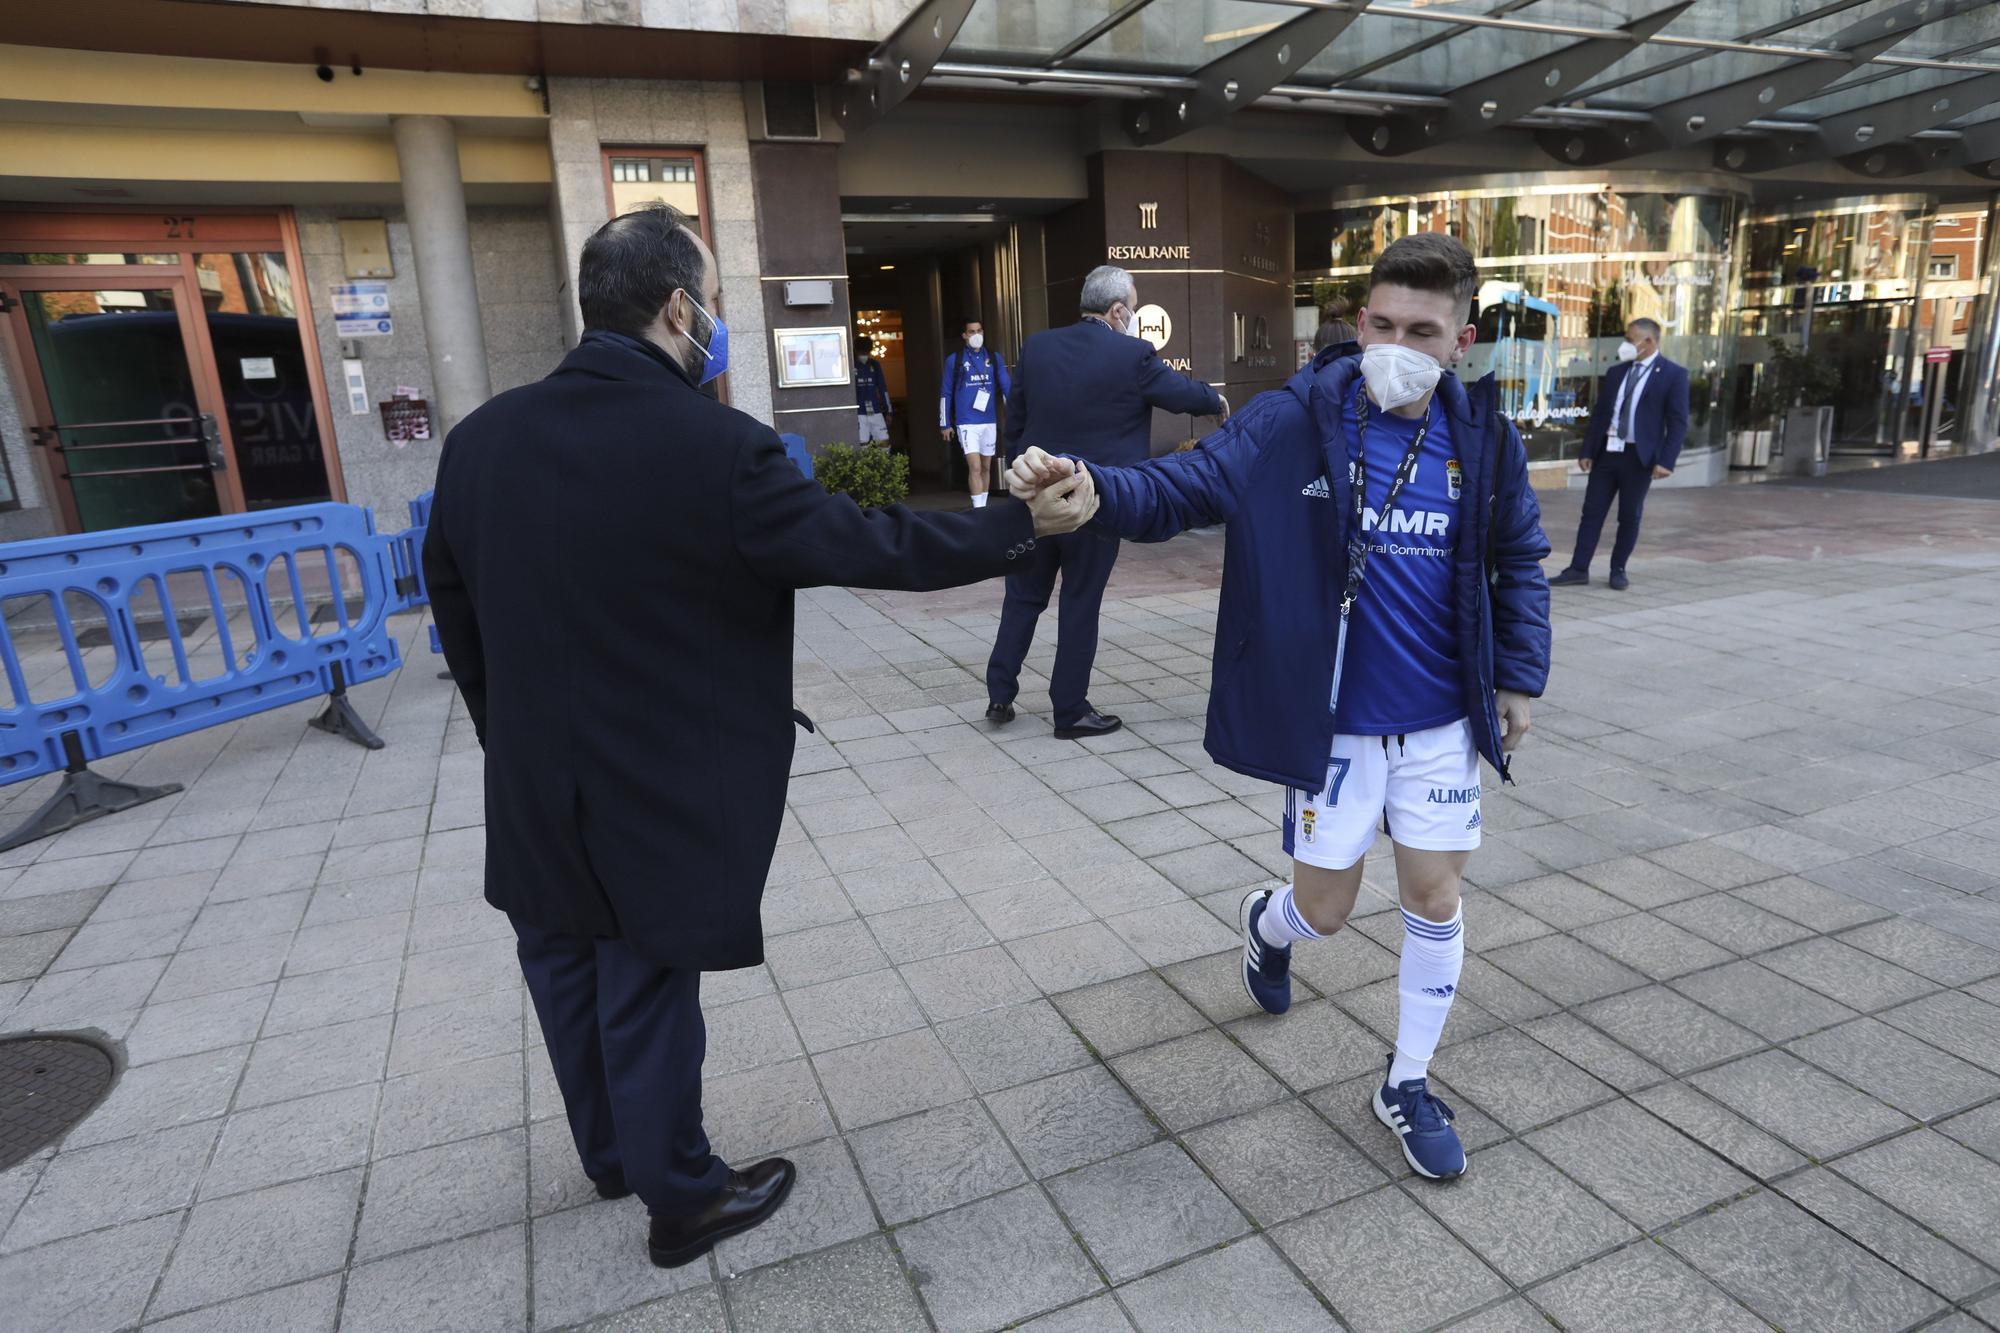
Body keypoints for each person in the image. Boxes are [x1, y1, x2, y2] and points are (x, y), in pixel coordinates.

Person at [423, 204, 1098, 1270]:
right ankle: (681, 1195)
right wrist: (1020, 527)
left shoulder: (480, 441)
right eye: (717, 302)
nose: (720, 324)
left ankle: (612, 1153)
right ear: (679, 308)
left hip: (530, 769)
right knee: (645, 977)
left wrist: (505, 734)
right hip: (654, 770)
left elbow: (453, 610)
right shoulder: (716, 446)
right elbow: (868, 543)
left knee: (560, 959)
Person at [1009, 233, 1551, 1179]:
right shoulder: (1301, 415)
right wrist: (1094, 489)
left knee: (1436, 895)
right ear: (1359, 321)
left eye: (1421, 330)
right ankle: (1268, 922)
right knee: (1326, 911)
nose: (1395, 343)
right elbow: (1192, 482)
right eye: (1380, 322)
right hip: (1332, 719)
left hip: (1436, 722)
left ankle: (1407, 1082)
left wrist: (1517, 676)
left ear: (1461, 339)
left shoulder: (1485, 439)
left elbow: (1517, 560)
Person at [984, 264, 1227, 738]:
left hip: (1036, 498)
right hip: (1095, 498)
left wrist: (1021, 476)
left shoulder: (1038, 347)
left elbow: (1016, 422)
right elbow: (1181, 394)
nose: (1133, 317)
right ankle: (1070, 710)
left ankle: (1000, 692)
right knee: (1079, 601)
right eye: (1132, 309)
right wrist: (1214, 401)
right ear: (1118, 310)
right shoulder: (1133, 354)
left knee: (1023, 596)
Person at [1548, 318, 1689, 591]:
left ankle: (1618, 569)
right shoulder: (1616, 373)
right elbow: (1601, 414)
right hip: (1607, 453)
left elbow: (1678, 421)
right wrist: (1588, 450)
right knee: (1591, 512)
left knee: (1629, 515)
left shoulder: (1673, 375)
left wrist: (1666, 461)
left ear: (1648, 342)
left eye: (1630, 338)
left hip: (1639, 458)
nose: (1625, 343)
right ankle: (1578, 568)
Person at [939, 317, 1012, 508]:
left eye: (979, 331)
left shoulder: (994, 358)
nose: (976, 335)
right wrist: (945, 423)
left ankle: (984, 506)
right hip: (966, 422)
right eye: (972, 332)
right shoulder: (954, 360)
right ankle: (978, 510)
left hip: (988, 420)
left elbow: (1006, 387)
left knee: (987, 467)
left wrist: (1015, 413)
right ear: (964, 336)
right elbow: (945, 393)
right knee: (975, 466)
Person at [855, 337, 892, 444]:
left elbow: (882, 388)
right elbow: (883, 389)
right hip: (860, 412)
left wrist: (888, 411)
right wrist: (889, 411)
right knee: (865, 445)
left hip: (873, 411)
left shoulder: (875, 365)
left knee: (882, 443)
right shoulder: (852, 366)